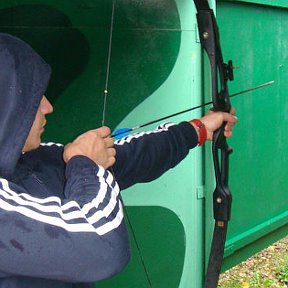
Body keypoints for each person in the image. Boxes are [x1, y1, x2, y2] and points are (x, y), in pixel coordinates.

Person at [0, 33, 237, 288]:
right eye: (33, 99)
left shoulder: (36, 157)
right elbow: (101, 244)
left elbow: (129, 158)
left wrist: (199, 129)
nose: (48, 107)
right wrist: (86, 165)